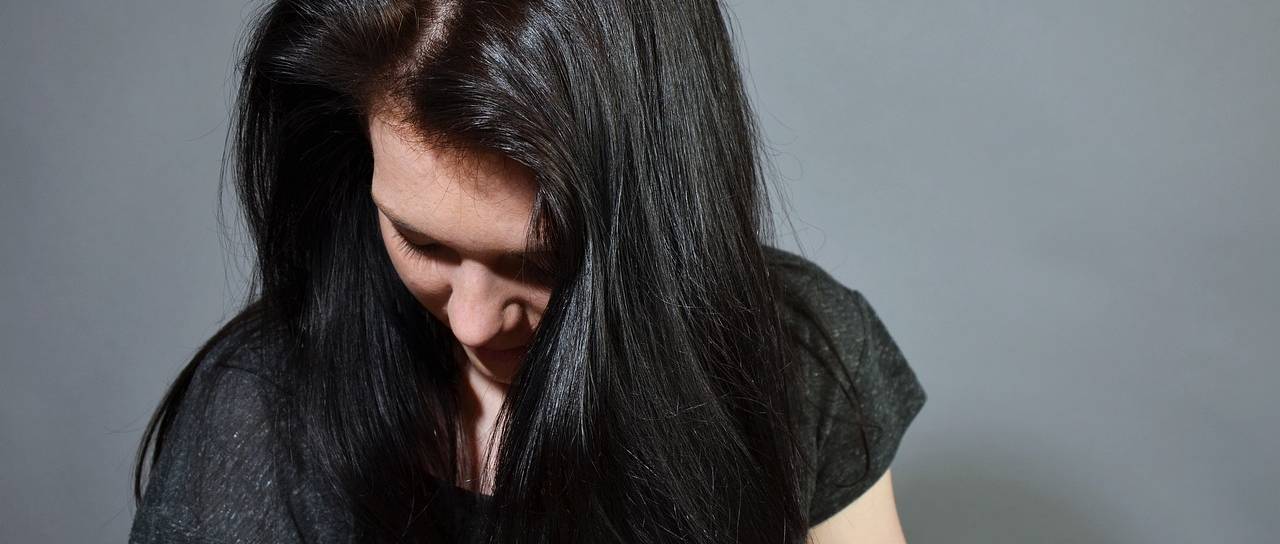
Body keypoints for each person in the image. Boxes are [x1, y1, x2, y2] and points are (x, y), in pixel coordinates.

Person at [128, 0, 928, 542]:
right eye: (421, 242)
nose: (474, 321)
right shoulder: (257, 405)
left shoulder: (801, 357)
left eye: (540, 263)